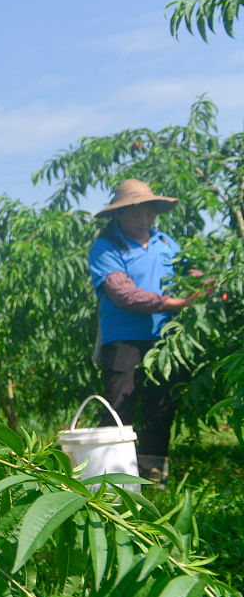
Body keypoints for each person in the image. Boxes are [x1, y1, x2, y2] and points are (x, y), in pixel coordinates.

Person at [88, 178, 199, 485]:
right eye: (136, 213)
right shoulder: (105, 247)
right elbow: (122, 292)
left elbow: (191, 270)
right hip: (123, 338)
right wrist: (172, 302)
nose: (144, 219)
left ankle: (152, 478)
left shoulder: (166, 243)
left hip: (164, 339)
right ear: (119, 216)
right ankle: (107, 479)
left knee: (161, 405)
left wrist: (207, 283)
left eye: (149, 212)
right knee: (119, 404)